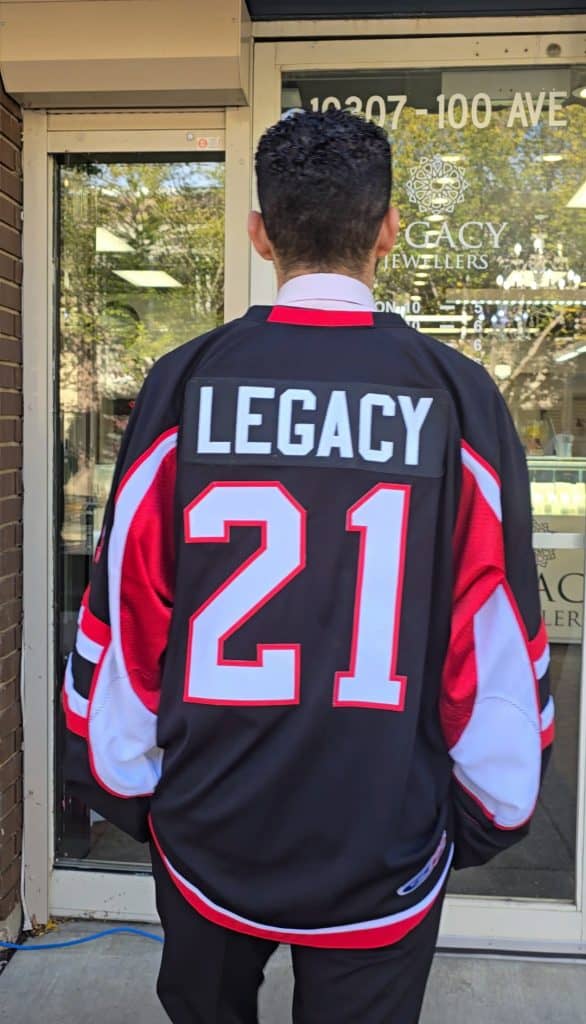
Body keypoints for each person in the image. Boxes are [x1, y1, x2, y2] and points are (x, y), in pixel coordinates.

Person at [62, 110, 554, 1024]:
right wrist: (489, 806)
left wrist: (128, 787)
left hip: (209, 823)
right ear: (388, 228)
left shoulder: (184, 379)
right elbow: (490, 628)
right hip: (382, 833)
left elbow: (128, 611)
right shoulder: (456, 395)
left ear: (259, 230)